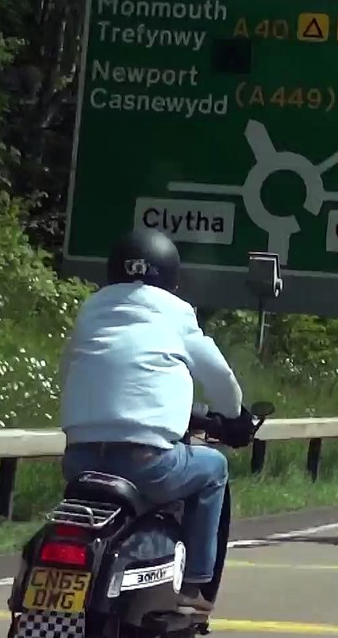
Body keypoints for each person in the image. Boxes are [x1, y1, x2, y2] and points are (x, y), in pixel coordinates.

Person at [59, 228, 245, 616]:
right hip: (147, 464)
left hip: (79, 460)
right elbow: (219, 377)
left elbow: (70, 370)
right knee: (214, 469)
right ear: (170, 276)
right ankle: (195, 584)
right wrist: (233, 414)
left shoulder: (91, 308)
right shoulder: (175, 312)